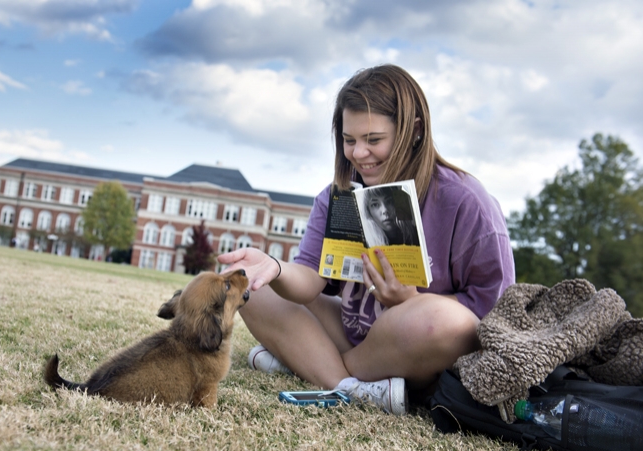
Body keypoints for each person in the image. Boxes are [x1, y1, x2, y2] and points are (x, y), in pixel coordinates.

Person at [217, 64, 515, 415]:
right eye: (349, 140)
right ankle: (350, 387)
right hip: (353, 331)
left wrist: (409, 301)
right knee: (246, 284)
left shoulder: (466, 201)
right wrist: (275, 267)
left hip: (418, 347)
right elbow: (309, 282)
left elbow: (495, 316)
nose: (359, 154)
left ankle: (311, 363)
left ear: (413, 131)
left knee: (445, 321)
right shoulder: (337, 196)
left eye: (373, 140)